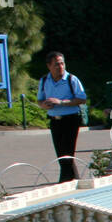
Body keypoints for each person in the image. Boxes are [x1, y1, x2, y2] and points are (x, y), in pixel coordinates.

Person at [36, 51, 88, 183]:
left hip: (70, 119)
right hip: (54, 120)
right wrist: (45, 105)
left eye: (62, 63)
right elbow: (40, 100)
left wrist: (61, 102)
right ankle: (73, 179)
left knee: (68, 151)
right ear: (49, 66)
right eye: (56, 64)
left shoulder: (71, 79)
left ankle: (64, 180)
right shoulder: (44, 80)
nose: (60, 67)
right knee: (60, 152)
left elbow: (82, 99)